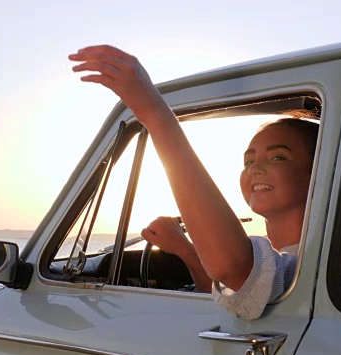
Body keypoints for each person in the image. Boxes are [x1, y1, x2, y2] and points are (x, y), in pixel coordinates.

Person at [69, 45, 317, 320]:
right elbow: (231, 295)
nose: (256, 168)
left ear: (318, 171)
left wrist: (154, 112)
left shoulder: (313, 267)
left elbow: (237, 270)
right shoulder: (303, 260)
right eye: (248, 161)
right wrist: (185, 250)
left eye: (278, 158)